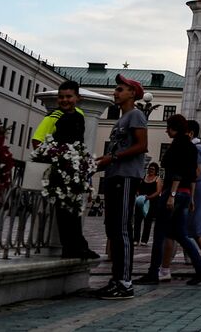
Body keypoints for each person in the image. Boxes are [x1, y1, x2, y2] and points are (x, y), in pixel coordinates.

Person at [94, 74, 148, 298]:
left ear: (132, 93)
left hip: (126, 176)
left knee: (123, 229)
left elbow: (142, 145)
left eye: (120, 89)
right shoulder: (121, 119)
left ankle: (125, 282)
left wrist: (113, 159)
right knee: (113, 229)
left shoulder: (135, 115)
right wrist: (101, 162)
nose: (115, 93)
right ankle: (116, 279)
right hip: (114, 175)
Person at [159, 114, 201, 285]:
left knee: (163, 232)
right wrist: (191, 197)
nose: (166, 130)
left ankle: (158, 271)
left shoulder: (179, 145)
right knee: (181, 234)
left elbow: (177, 173)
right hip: (186, 193)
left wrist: (172, 195)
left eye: (169, 127)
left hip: (175, 193)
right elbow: (193, 176)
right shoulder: (192, 147)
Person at [49, 103, 96, 259]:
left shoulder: (78, 116)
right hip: (64, 168)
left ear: (77, 98)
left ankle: (75, 247)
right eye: (61, 97)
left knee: (72, 211)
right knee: (66, 212)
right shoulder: (56, 115)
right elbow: (40, 139)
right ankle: (71, 247)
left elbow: (79, 145)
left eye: (69, 97)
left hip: (72, 168)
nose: (65, 100)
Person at [31, 79, 86, 149]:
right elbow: (37, 140)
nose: (64, 100)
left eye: (68, 96)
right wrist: (45, 158)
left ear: (78, 97)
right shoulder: (53, 117)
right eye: (61, 97)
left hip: (74, 158)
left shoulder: (80, 114)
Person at [137, 163, 161, 244]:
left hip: (151, 202)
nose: (151, 170)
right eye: (150, 168)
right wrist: (139, 195)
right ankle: (136, 239)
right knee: (137, 220)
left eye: (153, 169)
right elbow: (138, 188)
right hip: (141, 201)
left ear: (156, 171)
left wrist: (149, 197)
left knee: (148, 221)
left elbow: (158, 191)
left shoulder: (157, 179)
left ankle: (144, 240)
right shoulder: (144, 177)